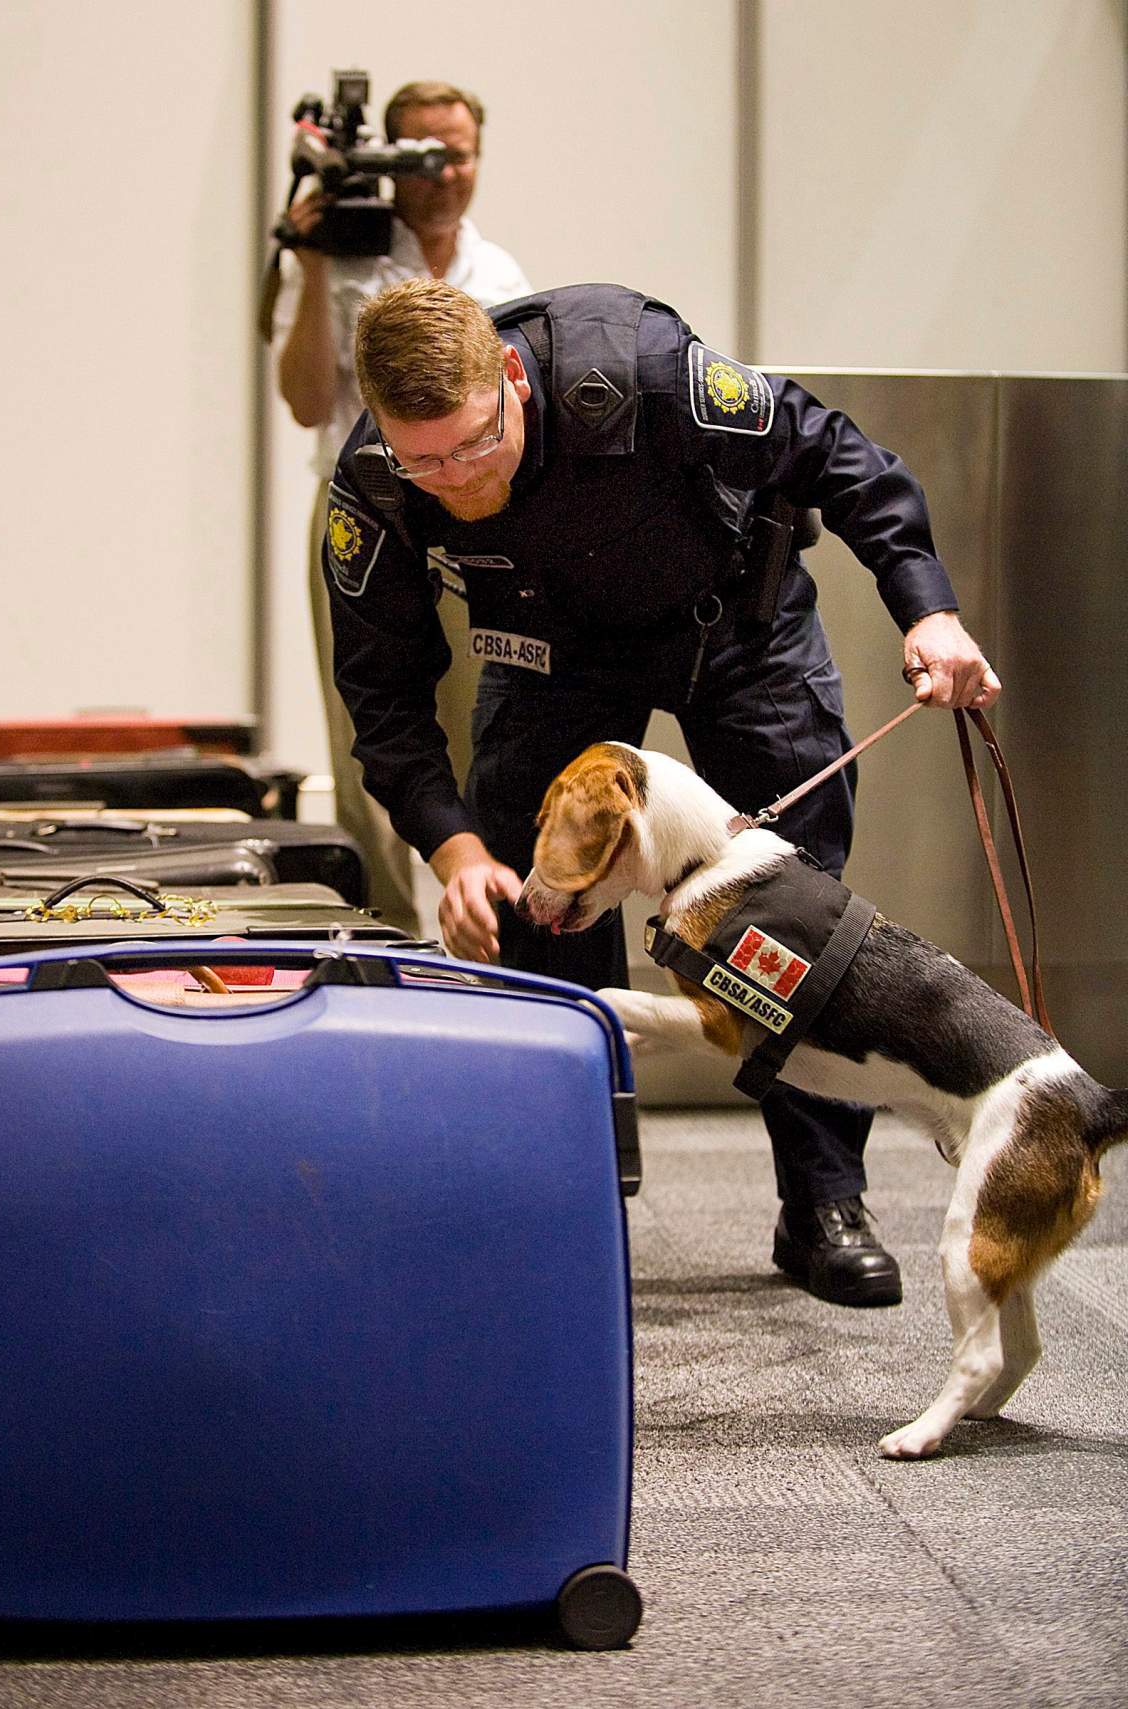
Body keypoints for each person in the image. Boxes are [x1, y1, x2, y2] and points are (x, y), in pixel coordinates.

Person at [323, 277, 1001, 1309]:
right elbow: (382, 695)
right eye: (425, 460)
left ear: (511, 378)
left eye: (473, 445)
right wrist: (455, 850)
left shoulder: (642, 374)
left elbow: (835, 451)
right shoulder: (373, 485)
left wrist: (928, 609)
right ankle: (571, 1191)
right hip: (549, 653)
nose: (453, 483)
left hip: (736, 629)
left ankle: (822, 1199)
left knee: (792, 910)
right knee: (530, 899)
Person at [272, 80, 531, 932]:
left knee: (483, 727)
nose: (443, 172)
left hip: (473, 518)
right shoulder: (341, 258)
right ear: (385, 160)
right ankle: (386, 939)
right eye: (422, 153)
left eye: (459, 153)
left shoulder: (499, 274)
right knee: (369, 736)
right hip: (361, 518)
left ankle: (487, 924)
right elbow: (308, 402)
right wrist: (313, 272)